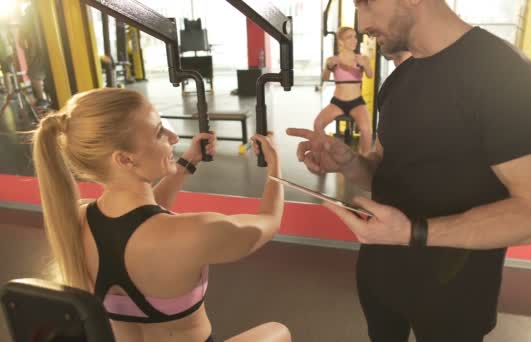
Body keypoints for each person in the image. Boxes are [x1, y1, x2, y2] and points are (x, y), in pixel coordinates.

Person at [287, 0, 531, 341]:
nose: (361, 23)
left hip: (452, 295)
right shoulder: (401, 77)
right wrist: (350, 164)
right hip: (381, 276)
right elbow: (385, 172)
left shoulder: (509, 78)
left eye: (367, 3)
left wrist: (413, 233)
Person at [32, 88, 291, 342]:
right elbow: (269, 220)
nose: (173, 138)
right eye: (159, 133)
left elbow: (137, 221)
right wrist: (275, 164)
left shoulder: (75, 221)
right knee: (278, 332)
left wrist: (187, 163)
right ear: (124, 159)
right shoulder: (197, 232)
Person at [317, 26, 374, 154]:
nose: (354, 40)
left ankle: (364, 161)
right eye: (350, 37)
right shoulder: (333, 60)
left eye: (355, 37)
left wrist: (365, 64)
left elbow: (370, 75)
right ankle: (325, 152)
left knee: (366, 131)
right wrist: (327, 67)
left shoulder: (362, 58)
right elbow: (325, 78)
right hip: (337, 102)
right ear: (341, 41)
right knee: (318, 124)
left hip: (356, 102)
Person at [19, 2, 48, 107]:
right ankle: (43, 99)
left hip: (41, 48)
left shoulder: (31, 10)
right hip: (44, 47)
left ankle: (42, 100)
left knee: (34, 74)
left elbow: (21, 38)